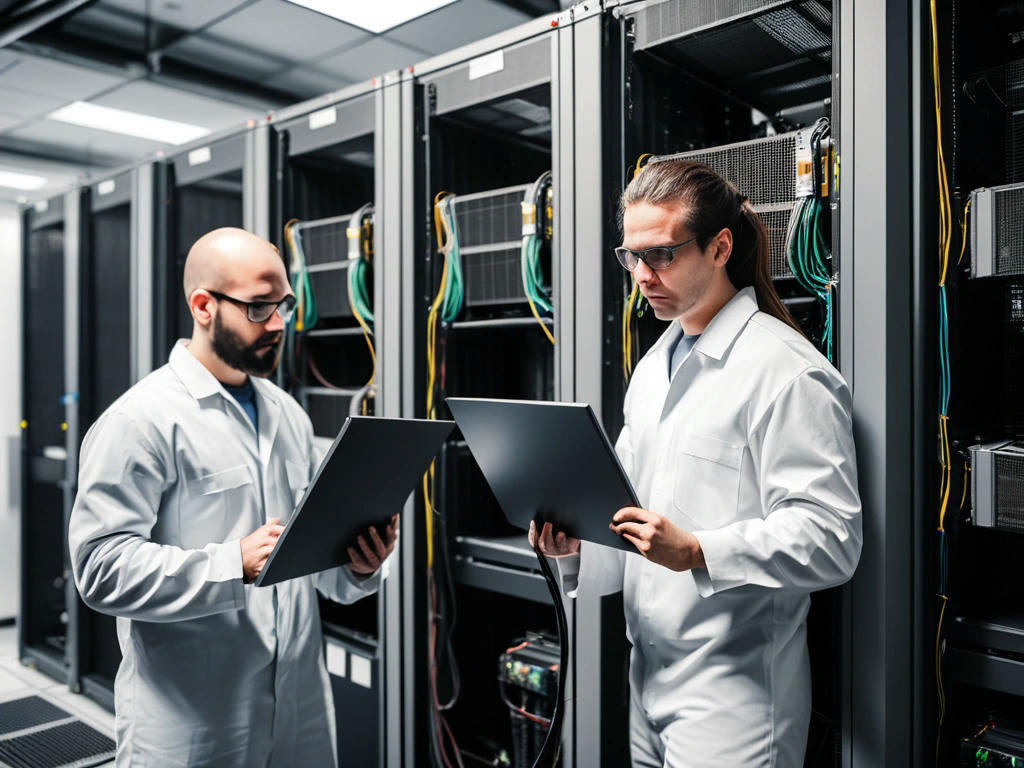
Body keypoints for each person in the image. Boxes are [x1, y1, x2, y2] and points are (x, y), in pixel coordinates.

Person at [530, 160, 862, 767]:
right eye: (631, 257)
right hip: (648, 675)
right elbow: (628, 516)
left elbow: (832, 538)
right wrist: (574, 548)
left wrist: (698, 552)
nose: (641, 276)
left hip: (734, 695)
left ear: (720, 248)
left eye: (660, 255)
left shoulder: (786, 371)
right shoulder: (655, 367)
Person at [68, 227, 396, 767]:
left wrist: (359, 562)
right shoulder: (141, 420)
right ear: (203, 305)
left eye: (285, 305)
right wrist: (231, 563)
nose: (279, 324)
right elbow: (100, 569)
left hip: (299, 709)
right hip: (192, 725)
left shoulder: (287, 413)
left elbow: (318, 570)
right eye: (260, 307)